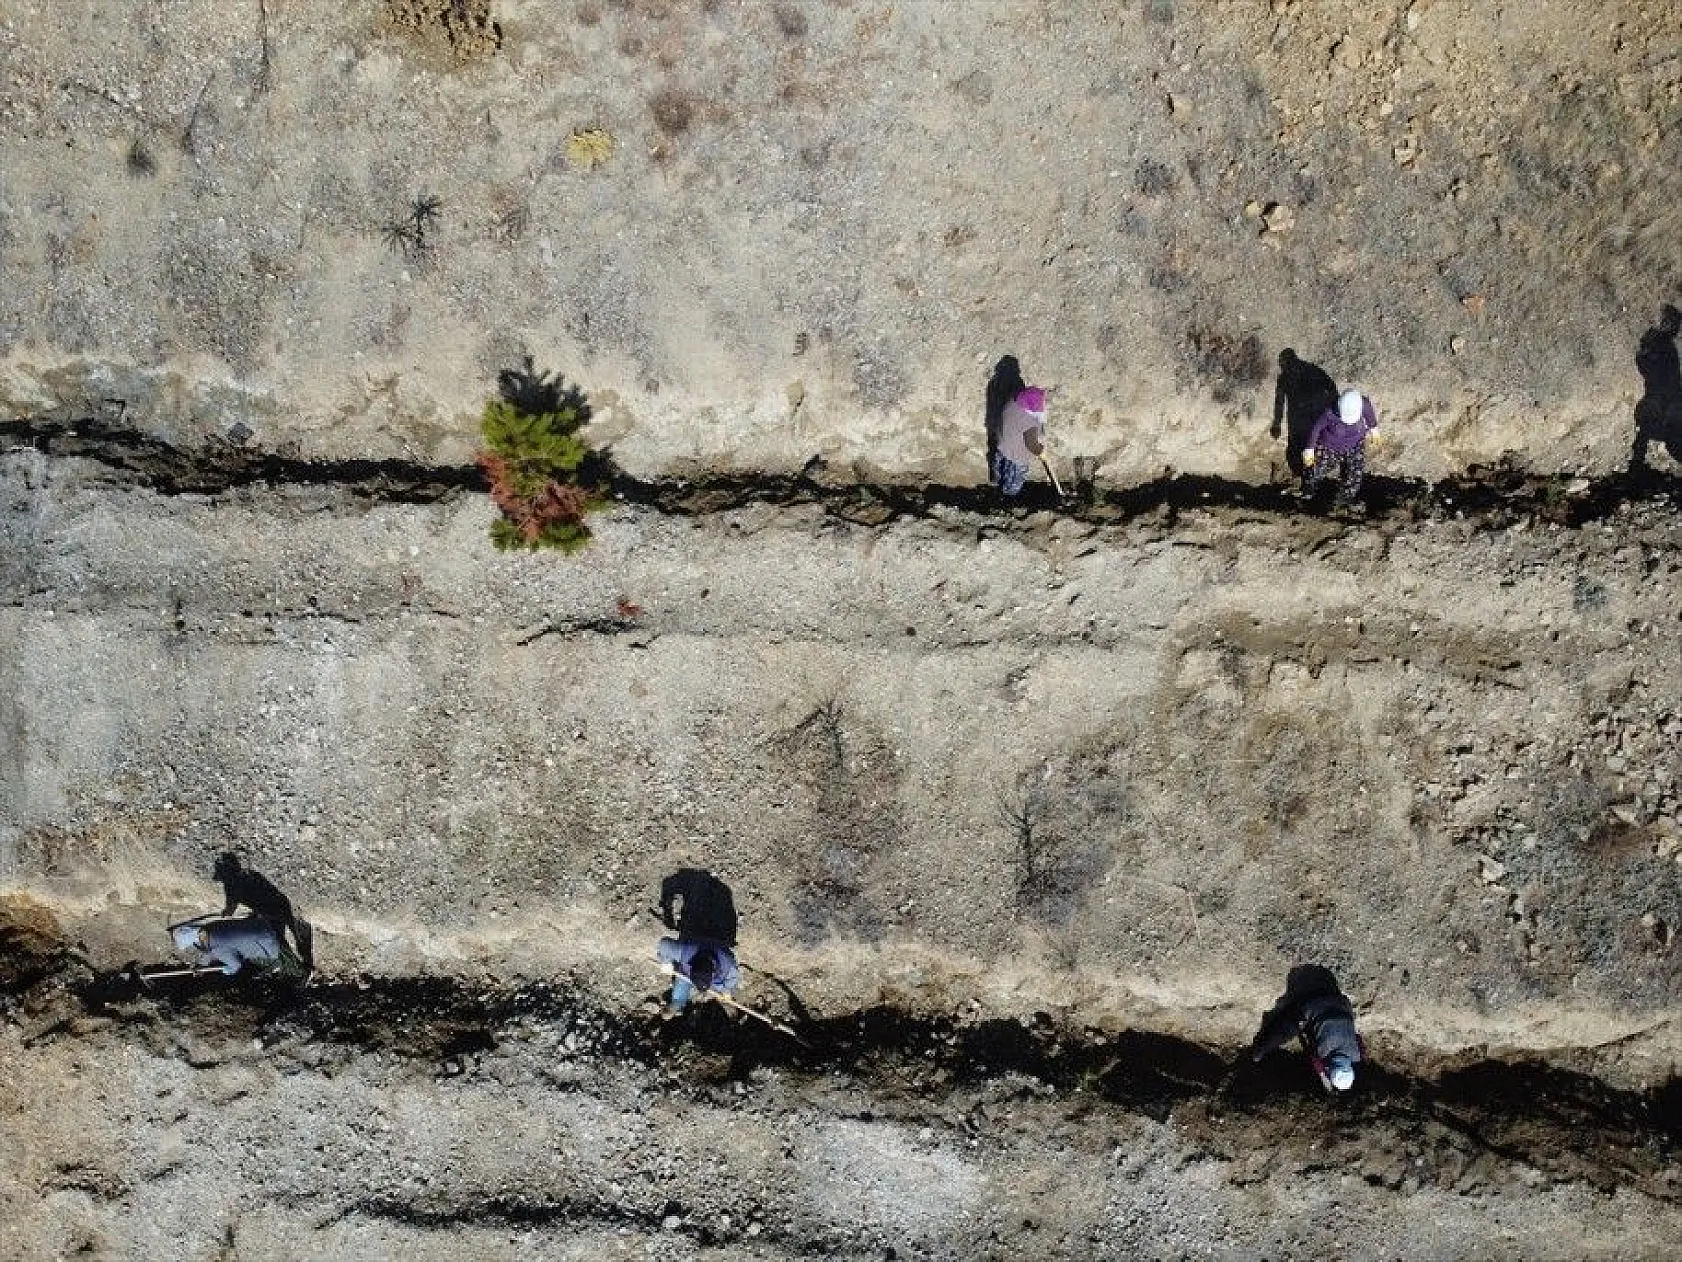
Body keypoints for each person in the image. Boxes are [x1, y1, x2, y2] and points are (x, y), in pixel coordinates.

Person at [1251, 972, 1365, 1092]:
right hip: (1314, 1002)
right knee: (1289, 1029)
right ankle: (1261, 1049)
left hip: (1341, 1003)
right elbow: (1315, 1061)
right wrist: (1323, 1076)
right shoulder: (1322, 1052)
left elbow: (1358, 1039)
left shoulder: (1357, 1055)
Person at [214, 852, 314, 973]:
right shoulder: (249, 874)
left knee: (279, 942)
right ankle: (306, 963)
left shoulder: (231, 886)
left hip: (269, 912)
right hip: (280, 903)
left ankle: (300, 969)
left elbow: (230, 910)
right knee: (295, 935)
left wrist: (225, 913)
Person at [1272, 349, 1338, 490]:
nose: (1281, 367)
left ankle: (1302, 480)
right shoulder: (1313, 369)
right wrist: (1335, 410)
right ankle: (1313, 478)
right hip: (1316, 416)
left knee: (1295, 452)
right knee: (1314, 446)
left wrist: (1276, 424)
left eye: (1281, 363)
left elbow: (1279, 402)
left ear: (1284, 362)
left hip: (1298, 421)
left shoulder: (1284, 377)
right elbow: (1331, 387)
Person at [1302, 388, 1380, 507]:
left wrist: (1374, 429)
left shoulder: (1363, 404)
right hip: (1329, 446)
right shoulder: (1329, 413)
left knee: (1356, 472)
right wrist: (1309, 449)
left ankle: (1346, 497)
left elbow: (1370, 416)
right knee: (1316, 468)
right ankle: (1309, 488)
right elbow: (1316, 429)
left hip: (1355, 444)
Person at [1630, 303, 1682, 474]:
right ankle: (1655, 341)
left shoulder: (1659, 429)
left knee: (1665, 365)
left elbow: (1643, 432)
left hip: (1659, 394)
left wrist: (1637, 460)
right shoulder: (1660, 430)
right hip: (1664, 391)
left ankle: (1653, 342)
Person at [170, 916, 285, 976]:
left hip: (272, 945)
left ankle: (282, 960)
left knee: (252, 963)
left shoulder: (217, 949)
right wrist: (202, 965)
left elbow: (236, 965)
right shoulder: (211, 926)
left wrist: (227, 970)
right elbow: (214, 946)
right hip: (263, 925)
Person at [656, 936, 741, 1013]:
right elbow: (664, 944)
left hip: (715, 947)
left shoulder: (728, 967)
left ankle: (680, 1002)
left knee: (720, 988)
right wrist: (666, 963)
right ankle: (676, 1004)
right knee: (683, 980)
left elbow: (733, 978)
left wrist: (726, 991)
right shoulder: (687, 953)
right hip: (689, 971)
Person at [991, 385, 1047, 498]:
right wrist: (1040, 451)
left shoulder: (1013, 403)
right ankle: (1008, 494)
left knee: (1000, 464)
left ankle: (996, 479)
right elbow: (1031, 445)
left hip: (1003, 442)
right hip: (1017, 455)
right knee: (1014, 477)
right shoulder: (1030, 423)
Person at [984, 355, 1026, 482]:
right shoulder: (1018, 383)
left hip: (998, 425)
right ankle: (1005, 483)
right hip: (1009, 428)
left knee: (997, 451)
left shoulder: (994, 383)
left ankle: (996, 477)